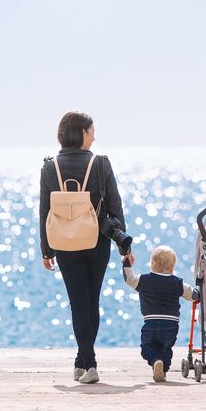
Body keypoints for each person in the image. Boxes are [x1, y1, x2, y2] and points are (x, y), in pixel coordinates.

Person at [40, 111, 132, 384]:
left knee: (78, 302)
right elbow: (115, 206)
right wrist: (124, 246)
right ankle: (89, 362)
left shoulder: (49, 166)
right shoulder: (101, 164)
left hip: (64, 242)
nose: (94, 135)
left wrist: (46, 250)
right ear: (81, 132)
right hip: (97, 241)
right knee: (92, 301)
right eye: (92, 131)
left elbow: (44, 210)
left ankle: (83, 361)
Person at [121, 246, 198, 382]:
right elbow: (193, 295)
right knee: (166, 349)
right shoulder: (177, 283)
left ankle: (156, 361)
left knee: (147, 347)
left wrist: (126, 263)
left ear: (152, 265)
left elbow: (129, 279)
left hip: (150, 323)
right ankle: (163, 370)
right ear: (172, 267)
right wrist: (199, 292)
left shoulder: (144, 280)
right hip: (171, 326)